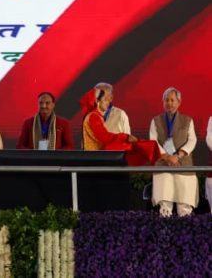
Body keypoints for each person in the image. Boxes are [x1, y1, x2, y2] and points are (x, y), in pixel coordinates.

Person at [149, 88, 198, 217]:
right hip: (163, 165)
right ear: (163, 102)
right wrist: (167, 157)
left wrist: (178, 156)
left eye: (172, 100)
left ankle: (187, 228)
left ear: (179, 102)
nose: (169, 103)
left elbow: (192, 141)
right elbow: (153, 141)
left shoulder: (188, 120)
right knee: (165, 206)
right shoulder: (155, 121)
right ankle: (165, 229)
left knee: (184, 206)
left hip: (183, 165)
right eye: (166, 100)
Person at [81, 88, 161, 166]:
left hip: (97, 158)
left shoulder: (94, 115)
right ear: (97, 101)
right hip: (96, 160)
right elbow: (105, 137)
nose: (108, 102)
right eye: (105, 100)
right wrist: (125, 137)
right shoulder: (94, 116)